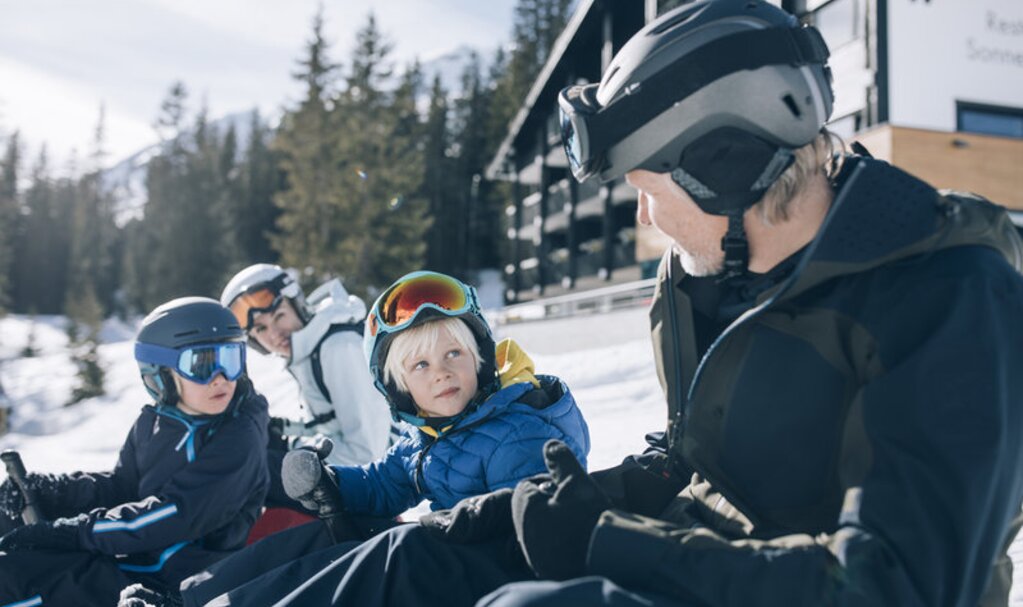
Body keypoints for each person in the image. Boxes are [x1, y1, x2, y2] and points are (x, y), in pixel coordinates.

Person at [269, 1, 1023, 606]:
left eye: (646, 193)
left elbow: (904, 582)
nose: (644, 220)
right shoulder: (703, 279)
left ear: (724, 171)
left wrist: (608, 540)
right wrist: (531, 507)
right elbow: (686, 462)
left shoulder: (949, 293)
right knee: (426, 553)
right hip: (710, 561)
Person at [173, 270, 591, 607]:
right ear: (401, 387)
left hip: (498, 574)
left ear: (480, 357)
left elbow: (530, 529)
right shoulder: (430, 433)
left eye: (453, 355)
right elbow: (384, 481)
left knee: (401, 547)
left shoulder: (517, 430)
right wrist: (331, 484)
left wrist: (452, 524)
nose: (441, 373)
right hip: (454, 553)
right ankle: (194, 597)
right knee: (331, 530)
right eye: (421, 365)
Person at [0, 297, 269, 607]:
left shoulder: (240, 437)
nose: (221, 377)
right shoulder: (154, 423)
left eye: (231, 359)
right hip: (133, 561)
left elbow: (177, 514)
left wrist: (74, 533)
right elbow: (122, 487)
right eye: (203, 365)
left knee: (18, 584)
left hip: (180, 582)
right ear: (162, 373)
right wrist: (54, 492)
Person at [220, 264, 392, 509]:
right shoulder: (310, 352)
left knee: (255, 469)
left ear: (298, 306)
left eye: (280, 316)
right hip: (357, 481)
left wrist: (293, 454)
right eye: (261, 329)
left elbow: (366, 452)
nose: (275, 334)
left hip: (376, 488)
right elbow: (330, 424)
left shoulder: (338, 347)